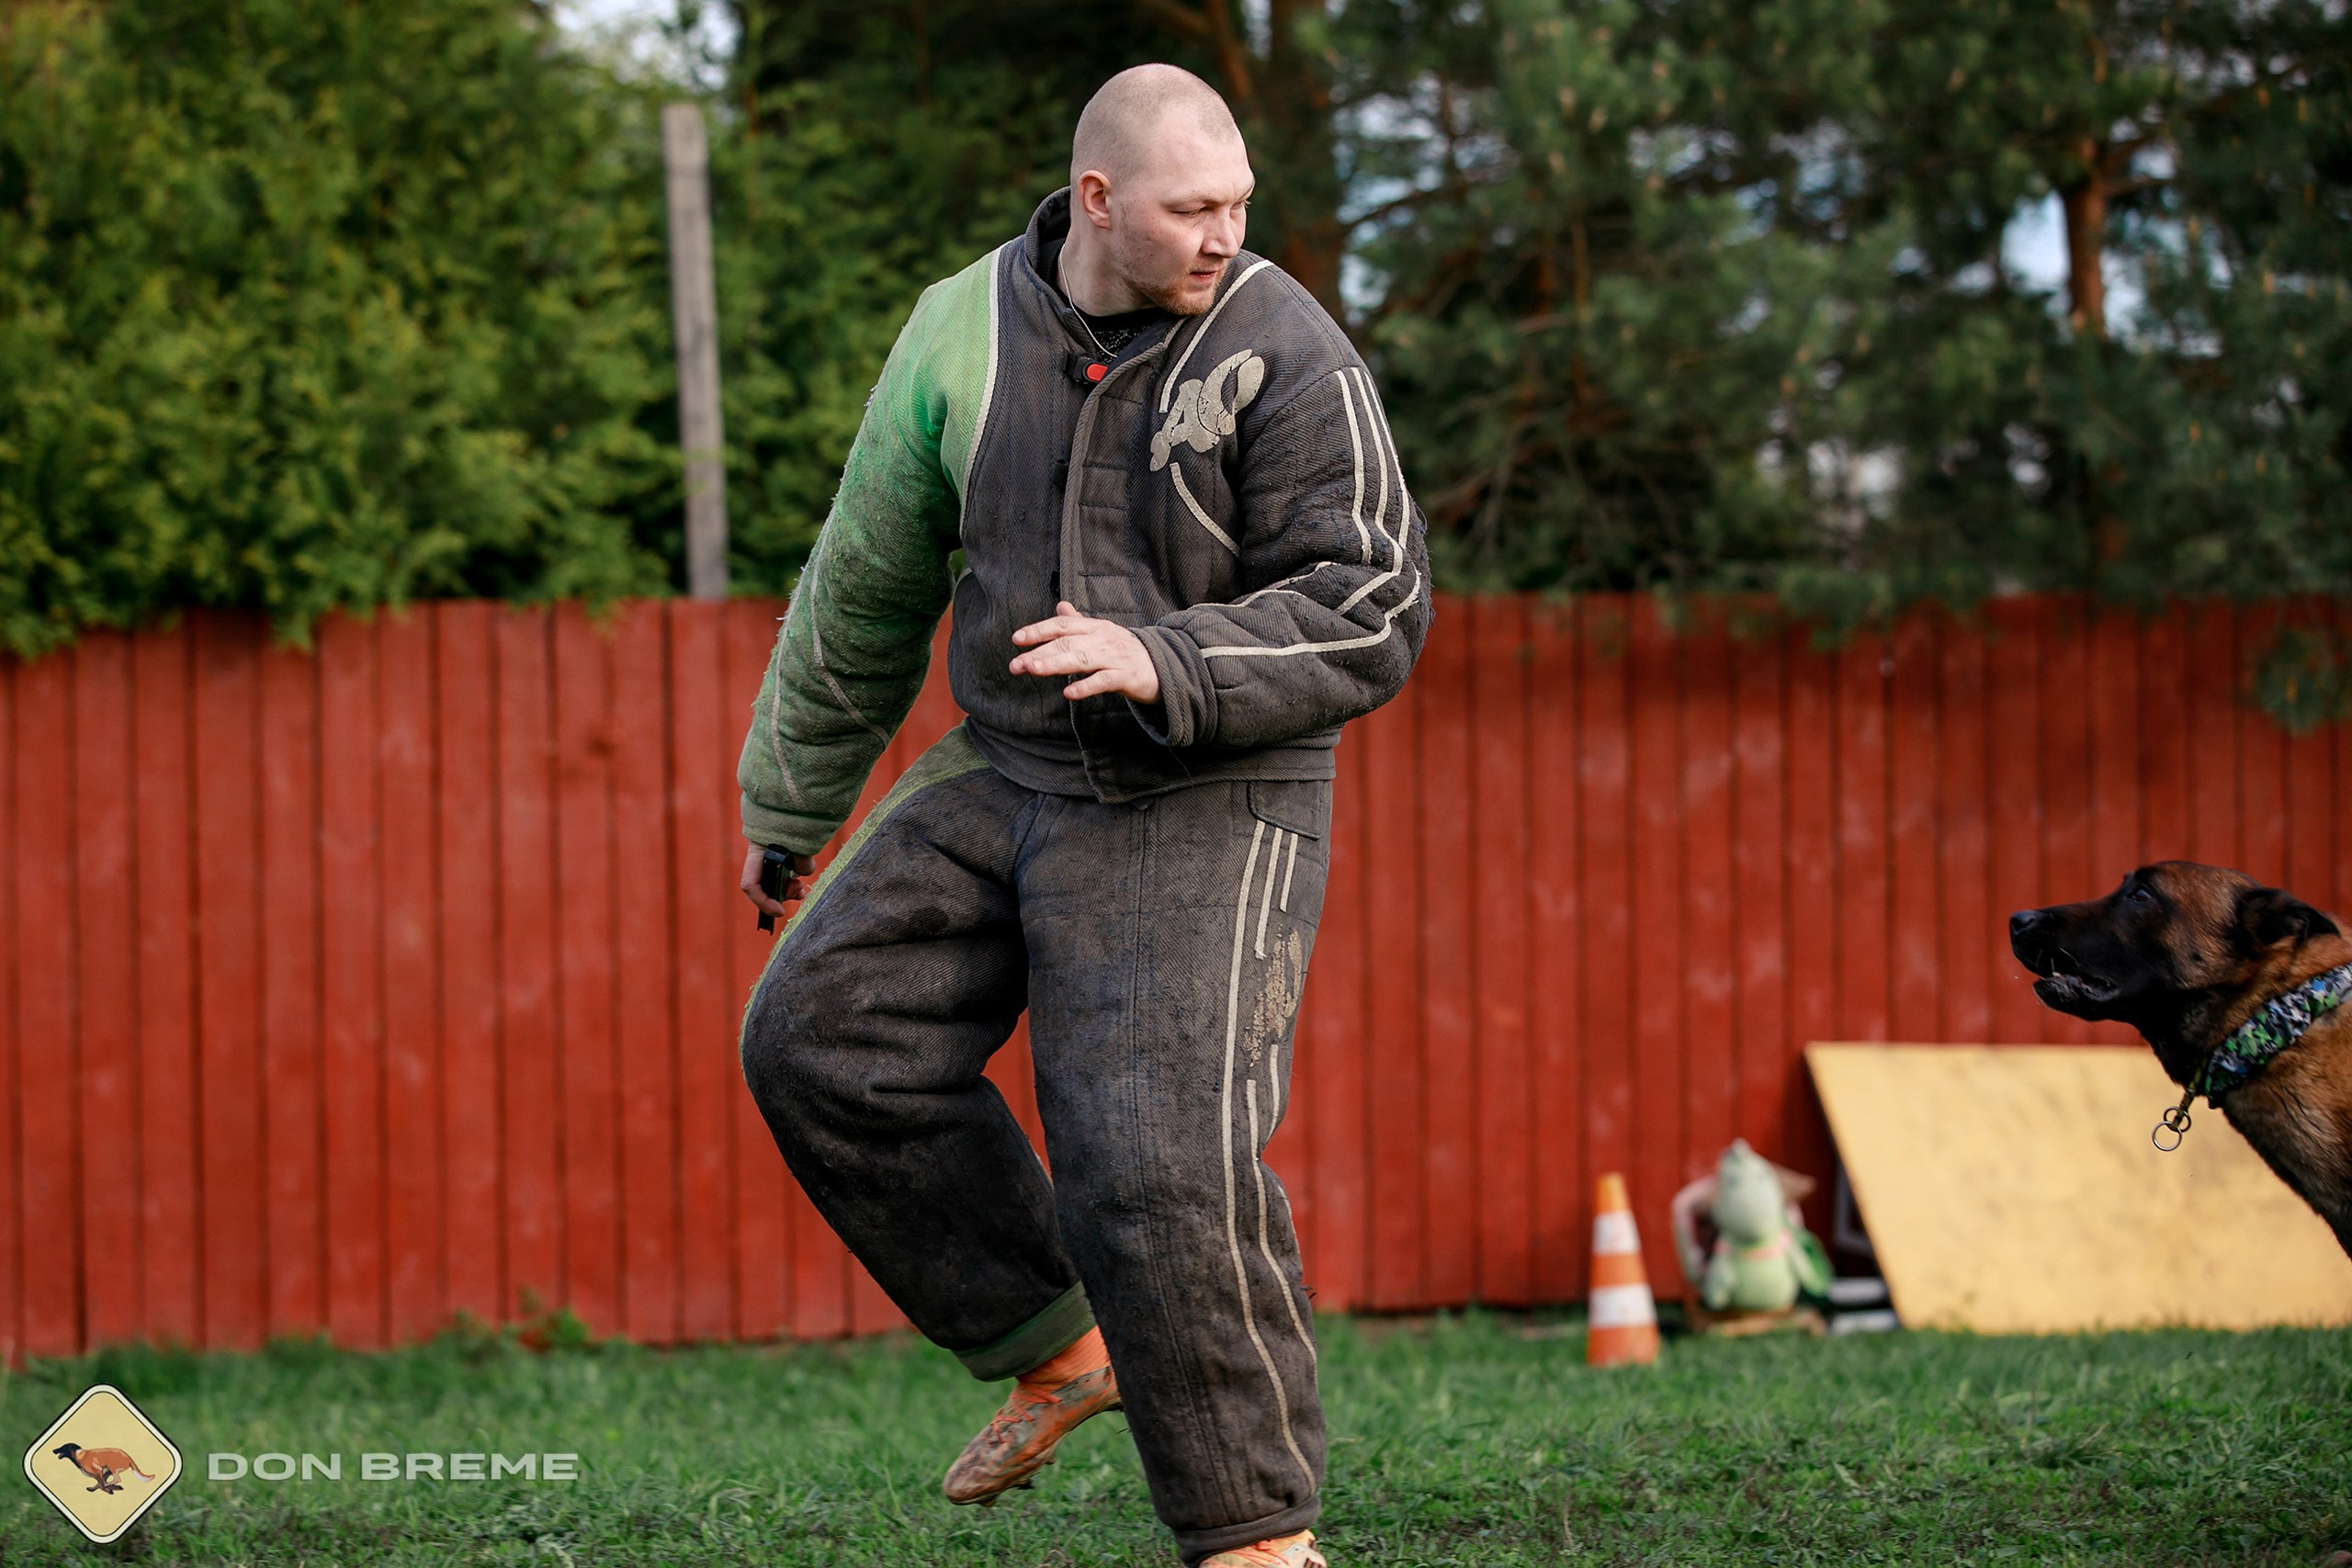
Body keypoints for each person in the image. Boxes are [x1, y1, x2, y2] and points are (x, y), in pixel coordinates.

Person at [732, 62, 1430, 1568]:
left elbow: (1374, 600)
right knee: (818, 1033)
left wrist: (1167, 658)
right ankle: (1062, 1345)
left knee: (1154, 1161)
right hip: (1011, 766)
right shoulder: (959, 332)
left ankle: (1257, 1539)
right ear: (1098, 200)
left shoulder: (1284, 342)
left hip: (1212, 781)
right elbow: (866, 585)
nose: (1226, 235)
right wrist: (791, 802)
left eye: (1240, 203)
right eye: (1194, 208)